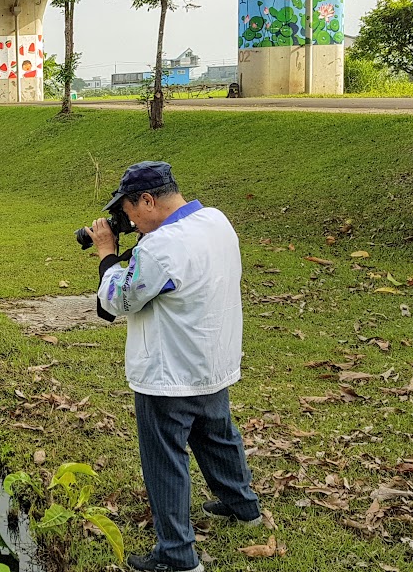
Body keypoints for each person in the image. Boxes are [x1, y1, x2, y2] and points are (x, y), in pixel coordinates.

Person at [88, 161, 261, 572]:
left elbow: (116, 301)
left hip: (168, 373)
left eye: (129, 209)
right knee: (216, 435)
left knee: (165, 459)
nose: (127, 218)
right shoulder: (216, 221)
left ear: (147, 200)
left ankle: (177, 555)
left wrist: (107, 253)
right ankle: (243, 506)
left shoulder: (160, 248)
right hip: (212, 359)